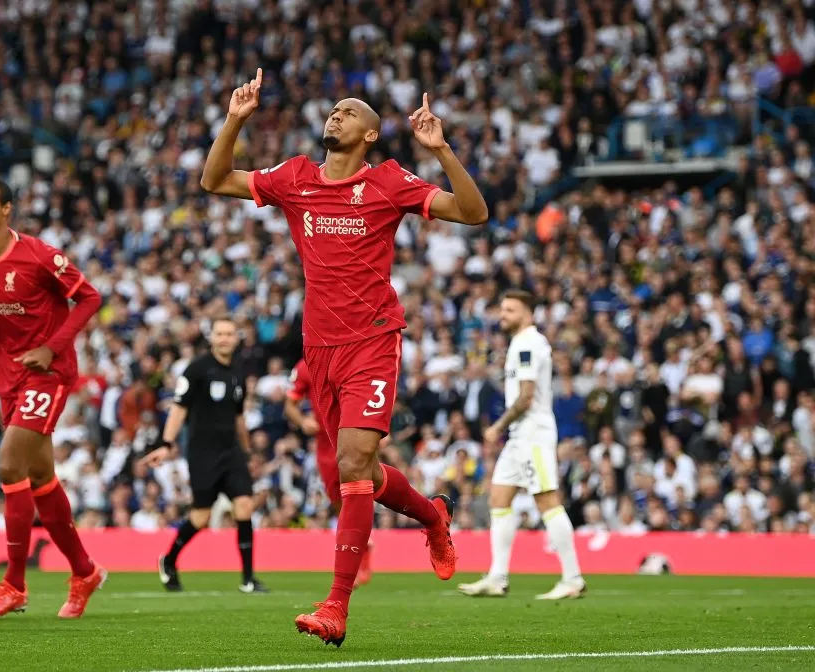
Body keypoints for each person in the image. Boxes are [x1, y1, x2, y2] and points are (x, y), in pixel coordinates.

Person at [200, 68, 488, 645]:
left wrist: (441, 150)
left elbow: (472, 211)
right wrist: (235, 118)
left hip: (373, 340)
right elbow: (215, 181)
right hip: (319, 347)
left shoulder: (387, 182)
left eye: (349, 112)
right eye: (333, 110)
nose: (336, 115)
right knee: (364, 475)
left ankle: (336, 605)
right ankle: (432, 516)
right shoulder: (295, 176)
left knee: (355, 466)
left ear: (372, 135)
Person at [0, 178, 107, 618]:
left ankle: (14, 584)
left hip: (49, 372)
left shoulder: (39, 255)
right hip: (7, 380)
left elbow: (89, 298)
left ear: (7, 210)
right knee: (40, 476)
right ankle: (84, 571)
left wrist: (52, 348)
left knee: (8, 464)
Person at [457, 289, 586, 600]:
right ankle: (497, 577)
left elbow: (526, 396)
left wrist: (497, 428)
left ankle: (572, 578)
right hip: (519, 436)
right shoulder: (519, 342)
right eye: (502, 309)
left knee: (547, 501)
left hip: (533, 434)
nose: (503, 316)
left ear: (528, 312)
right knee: (499, 499)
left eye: (510, 310)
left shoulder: (529, 343)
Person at [145, 317, 267, 594]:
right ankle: (169, 560)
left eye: (229, 334)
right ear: (211, 338)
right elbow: (179, 408)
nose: (224, 338)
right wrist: (166, 442)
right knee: (200, 517)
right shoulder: (197, 370)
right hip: (202, 453)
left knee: (244, 506)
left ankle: (248, 579)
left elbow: (239, 417)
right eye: (219, 334)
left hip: (232, 452)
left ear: (237, 338)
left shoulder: (237, 372)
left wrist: (247, 451)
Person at [283, 358, 373, 587]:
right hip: (325, 443)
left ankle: (358, 557)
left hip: (352, 435)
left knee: (357, 493)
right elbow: (290, 404)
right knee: (338, 502)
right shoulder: (304, 367)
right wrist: (303, 420)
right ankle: (363, 545)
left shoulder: (352, 357)